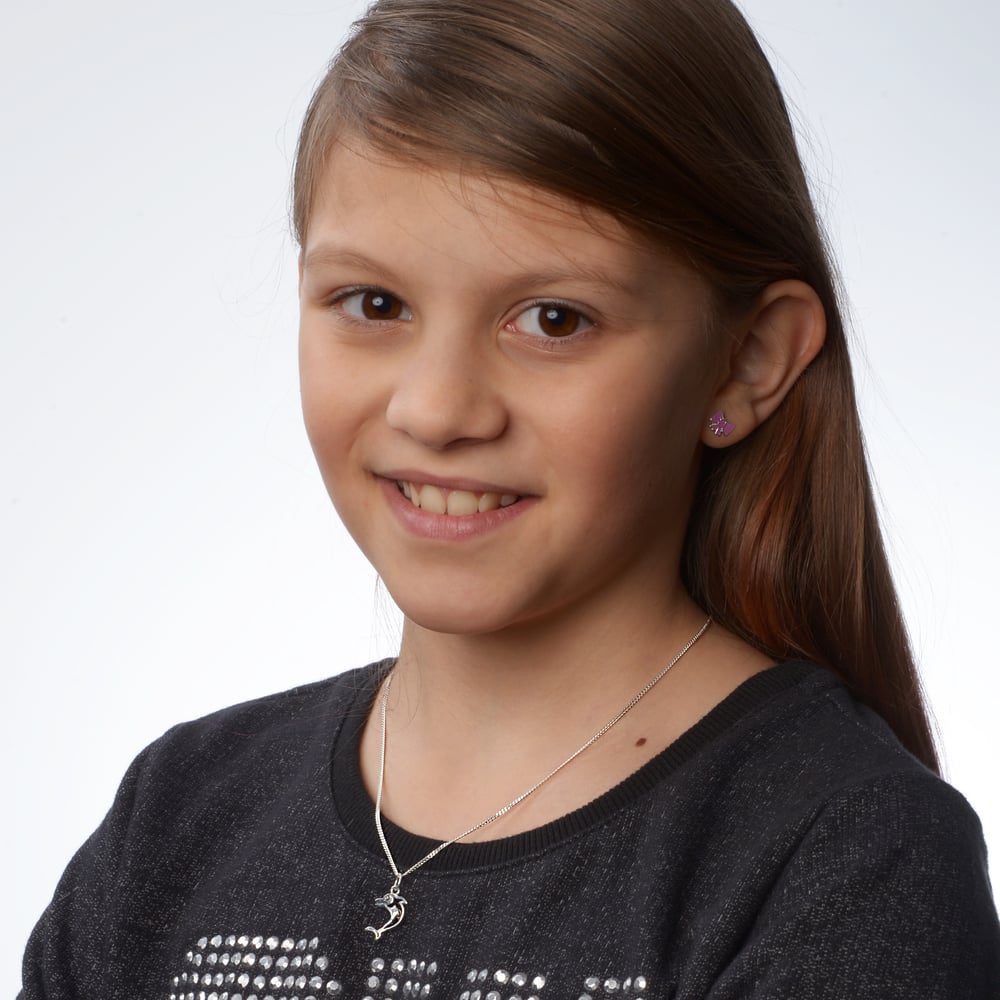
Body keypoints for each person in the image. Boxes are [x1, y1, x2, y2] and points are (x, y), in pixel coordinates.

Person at [20, 0, 1000, 997]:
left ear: (747, 361)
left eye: (554, 319)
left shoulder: (845, 857)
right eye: (374, 304)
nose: (436, 409)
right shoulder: (178, 813)